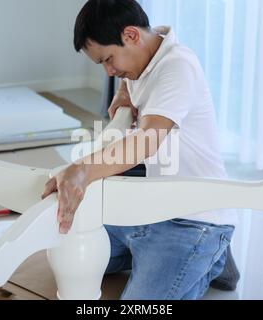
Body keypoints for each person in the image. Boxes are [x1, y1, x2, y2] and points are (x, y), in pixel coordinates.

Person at [42, 0, 239, 299]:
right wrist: (125, 92)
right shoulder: (145, 56)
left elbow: (146, 141)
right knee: (70, 252)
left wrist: (82, 170)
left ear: (131, 35)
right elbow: (141, 73)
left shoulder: (178, 66)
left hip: (193, 220)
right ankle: (163, 258)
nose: (110, 71)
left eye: (108, 59)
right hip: (150, 208)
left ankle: (212, 254)